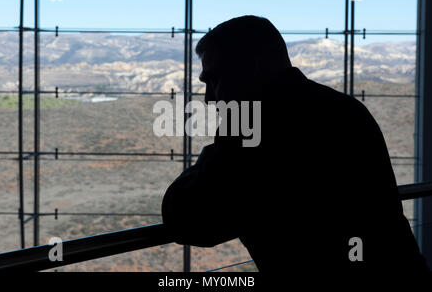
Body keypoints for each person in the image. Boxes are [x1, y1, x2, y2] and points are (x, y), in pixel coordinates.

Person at [161, 15, 429, 275]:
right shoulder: (344, 108)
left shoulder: (255, 126)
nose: (209, 98)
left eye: (216, 80)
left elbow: (186, 220)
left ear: (253, 66)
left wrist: (211, 156)